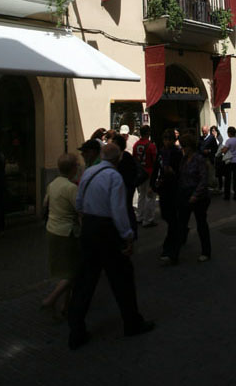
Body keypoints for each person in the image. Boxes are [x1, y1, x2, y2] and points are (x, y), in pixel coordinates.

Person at [68, 143, 155, 349]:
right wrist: (127, 236)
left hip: (89, 226)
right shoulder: (114, 177)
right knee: (122, 278)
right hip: (106, 229)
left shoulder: (89, 172)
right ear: (117, 159)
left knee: (85, 280)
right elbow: (118, 210)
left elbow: (79, 201)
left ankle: (76, 330)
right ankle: (132, 322)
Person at [42, 153, 80, 316]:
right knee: (74, 271)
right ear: (73, 168)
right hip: (66, 232)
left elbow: (45, 205)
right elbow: (81, 210)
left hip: (52, 229)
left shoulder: (53, 184)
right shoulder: (71, 188)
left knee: (64, 269)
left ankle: (65, 306)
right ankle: (51, 300)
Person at [174, 131, 211, 263]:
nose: (183, 149)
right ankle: (174, 253)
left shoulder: (198, 159)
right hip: (185, 194)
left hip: (199, 197)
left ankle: (206, 251)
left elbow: (203, 179)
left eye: (185, 146)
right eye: (182, 146)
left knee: (201, 223)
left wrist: (196, 195)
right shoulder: (184, 159)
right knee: (181, 223)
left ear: (191, 146)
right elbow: (181, 176)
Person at [150, 128, 183, 263]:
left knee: (172, 220)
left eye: (169, 139)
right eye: (165, 139)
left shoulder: (177, 153)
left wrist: (173, 172)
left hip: (174, 189)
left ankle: (171, 250)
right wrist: (153, 185)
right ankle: (175, 240)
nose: (167, 141)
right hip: (164, 188)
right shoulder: (161, 153)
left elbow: (180, 172)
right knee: (167, 216)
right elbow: (156, 168)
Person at [132, 125, 157, 227]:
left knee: (141, 195)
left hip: (140, 173)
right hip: (149, 173)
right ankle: (148, 219)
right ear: (148, 133)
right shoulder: (151, 145)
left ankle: (140, 216)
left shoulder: (136, 145)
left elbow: (134, 159)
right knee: (150, 197)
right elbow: (155, 161)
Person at [115, 133, 139, 239]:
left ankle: (131, 231)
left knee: (127, 208)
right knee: (127, 208)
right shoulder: (122, 156)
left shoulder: (125, 156)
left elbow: (131, 171)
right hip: (126, 186)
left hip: (127, 186)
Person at [220, 126, 236, 201]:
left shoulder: (228, 141)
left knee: (228, 179)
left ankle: (227, 195)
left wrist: (222, 149)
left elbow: (224, 151)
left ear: (229, 133)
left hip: (230, 161)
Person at [199, 125, 218, 189]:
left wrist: (209, 151)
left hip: (209, 158)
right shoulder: (200, 138)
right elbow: (198, 148)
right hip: (202, 159)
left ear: (207, 130)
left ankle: (213, 186)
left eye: (205, 131)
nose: (204, 132)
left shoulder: (211, 138)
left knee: (211, 173)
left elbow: (215, 148)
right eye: (203, 131)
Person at [211, 125, 225, 192]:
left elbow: (218, 145)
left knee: (219, 173)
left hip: (218, 158)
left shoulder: (220, 137)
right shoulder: (210, 138)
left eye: (214, 131)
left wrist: (215, 137)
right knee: (213, 172)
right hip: (212, 157)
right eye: (212, 131)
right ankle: (214, 186)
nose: (213, 132)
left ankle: (220, 186)